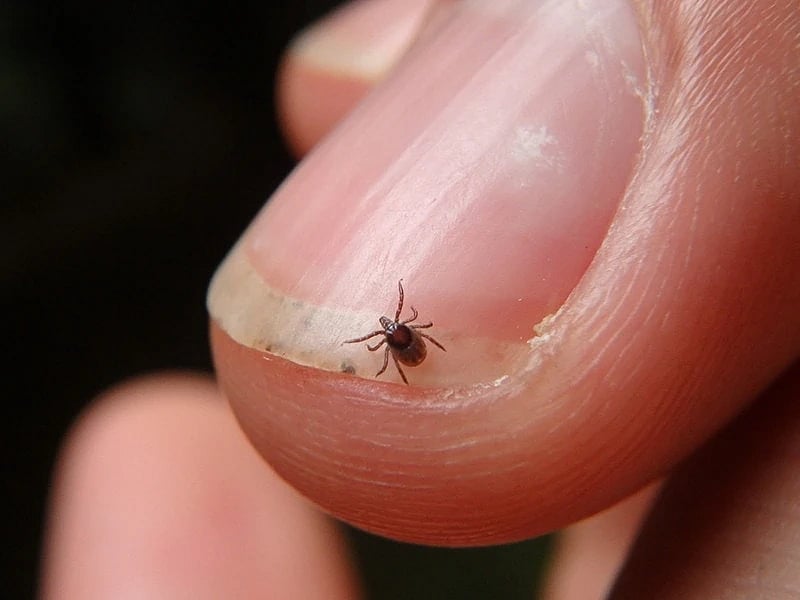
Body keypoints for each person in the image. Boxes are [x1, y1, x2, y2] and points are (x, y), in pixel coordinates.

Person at [41, 1, 800, 597]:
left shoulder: (399, 334)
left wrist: (403, 355)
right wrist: (412, 353)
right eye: (395, 329)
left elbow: (408, 341)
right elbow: (415, 341)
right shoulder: (409, 334)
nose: (395, 330)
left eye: (395, 327)